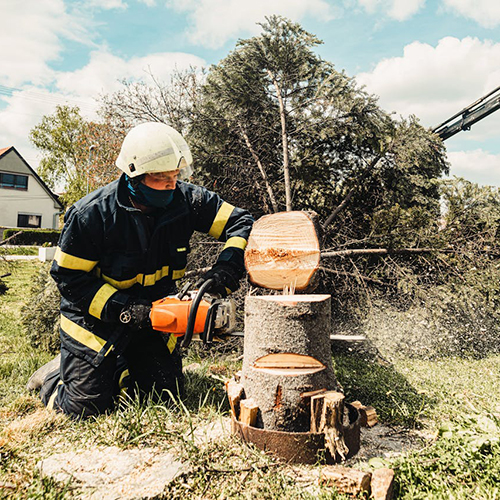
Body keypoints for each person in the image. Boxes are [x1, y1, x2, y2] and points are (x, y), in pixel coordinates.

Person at [29, 122, 254, 418]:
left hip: (154, 314)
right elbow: (69, 278)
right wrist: (126, 310)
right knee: (83, 409)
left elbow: (241, 223)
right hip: (94, 319)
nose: (172, 185)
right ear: (134, 175)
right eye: (161, 179)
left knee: (165, 398)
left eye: (176, 176)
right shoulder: (92, 215)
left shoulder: (187, 201)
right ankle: (53, 377)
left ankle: (119, 368)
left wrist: (226, 269)